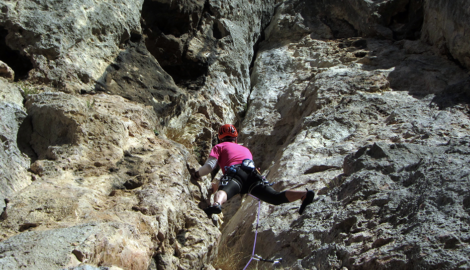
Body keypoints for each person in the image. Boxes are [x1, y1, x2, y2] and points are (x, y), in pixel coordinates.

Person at [188, 124, 315, 216]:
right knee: (275, 197)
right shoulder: (245, 150)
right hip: (253, 175)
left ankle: (216, 205)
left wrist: (197, 174)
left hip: (236, 173)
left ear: (220, 138)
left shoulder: (219, 146)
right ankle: (303, 194)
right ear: (235, 139)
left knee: (225, 190)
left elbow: (209, 166)